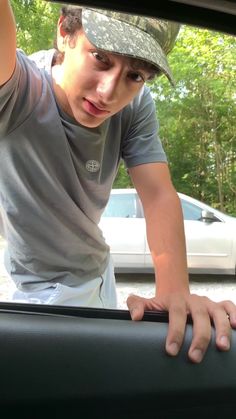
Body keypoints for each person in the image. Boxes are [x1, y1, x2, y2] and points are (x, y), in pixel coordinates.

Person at [0, 1, 236, 364]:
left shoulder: (135, 105)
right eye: (100, 57)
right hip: (40, 296)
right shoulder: (17, 91)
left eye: (135, 75)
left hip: (100, 271)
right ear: (65, 32)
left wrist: (174, 294)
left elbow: (157, 194)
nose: (110, 92)